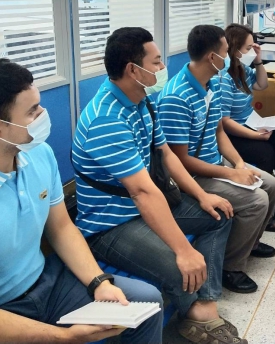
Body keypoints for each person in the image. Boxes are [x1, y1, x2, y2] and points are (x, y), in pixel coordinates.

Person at [0, 56, 164, 344]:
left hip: (49, 282)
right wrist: (62, 337)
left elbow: (62, 228)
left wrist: (98, 282)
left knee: (147, 302)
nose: (43, 114)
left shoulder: (37, 154)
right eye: (32, 111)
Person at [72, 28, 244, 344]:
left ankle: (202, 305)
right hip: (111, 225)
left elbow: (165, 154)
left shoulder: (141, 102)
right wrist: (183, 250)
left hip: (144, 207)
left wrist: (202, 196)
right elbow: (142, 192)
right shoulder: (106, 119)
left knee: (219, 215)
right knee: (180, 265)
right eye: (156, 62)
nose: (163, 67)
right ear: (133, 70)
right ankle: (195, 312)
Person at [157, 25, 275, 295]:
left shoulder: (211, 84)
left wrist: (238, 164)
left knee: (271, 185)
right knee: (257, 200)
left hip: (215, 164)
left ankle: (249, 243)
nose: (230, 57)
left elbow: (218, 131)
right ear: (211, 57)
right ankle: (230, 266)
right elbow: (180, 161)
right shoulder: (176, 97)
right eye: (226, 52)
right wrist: (230, 174)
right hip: (192, 176)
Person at [221, 24, 275, 212]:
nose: (252, 51)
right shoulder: (224, 78)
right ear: (234, 50)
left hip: (250, 122)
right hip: (232, 133)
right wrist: (255, 135)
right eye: (248, 48)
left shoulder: (242, 69)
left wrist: (258, 60)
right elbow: (225, 122)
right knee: (265, 152)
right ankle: (263, 207)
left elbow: (262, 85)